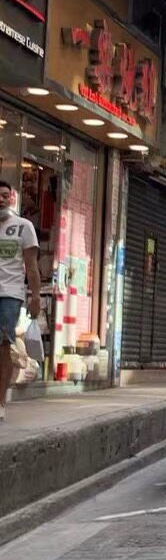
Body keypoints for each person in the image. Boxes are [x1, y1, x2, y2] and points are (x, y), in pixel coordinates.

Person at [0, 180, 41, 422]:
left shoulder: (23, 226)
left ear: (11, 198)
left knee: (3, 345)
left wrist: (35, 296)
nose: (1, 199)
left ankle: (0, 402)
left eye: (5, 195)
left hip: (10, 294)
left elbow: (31, 266)